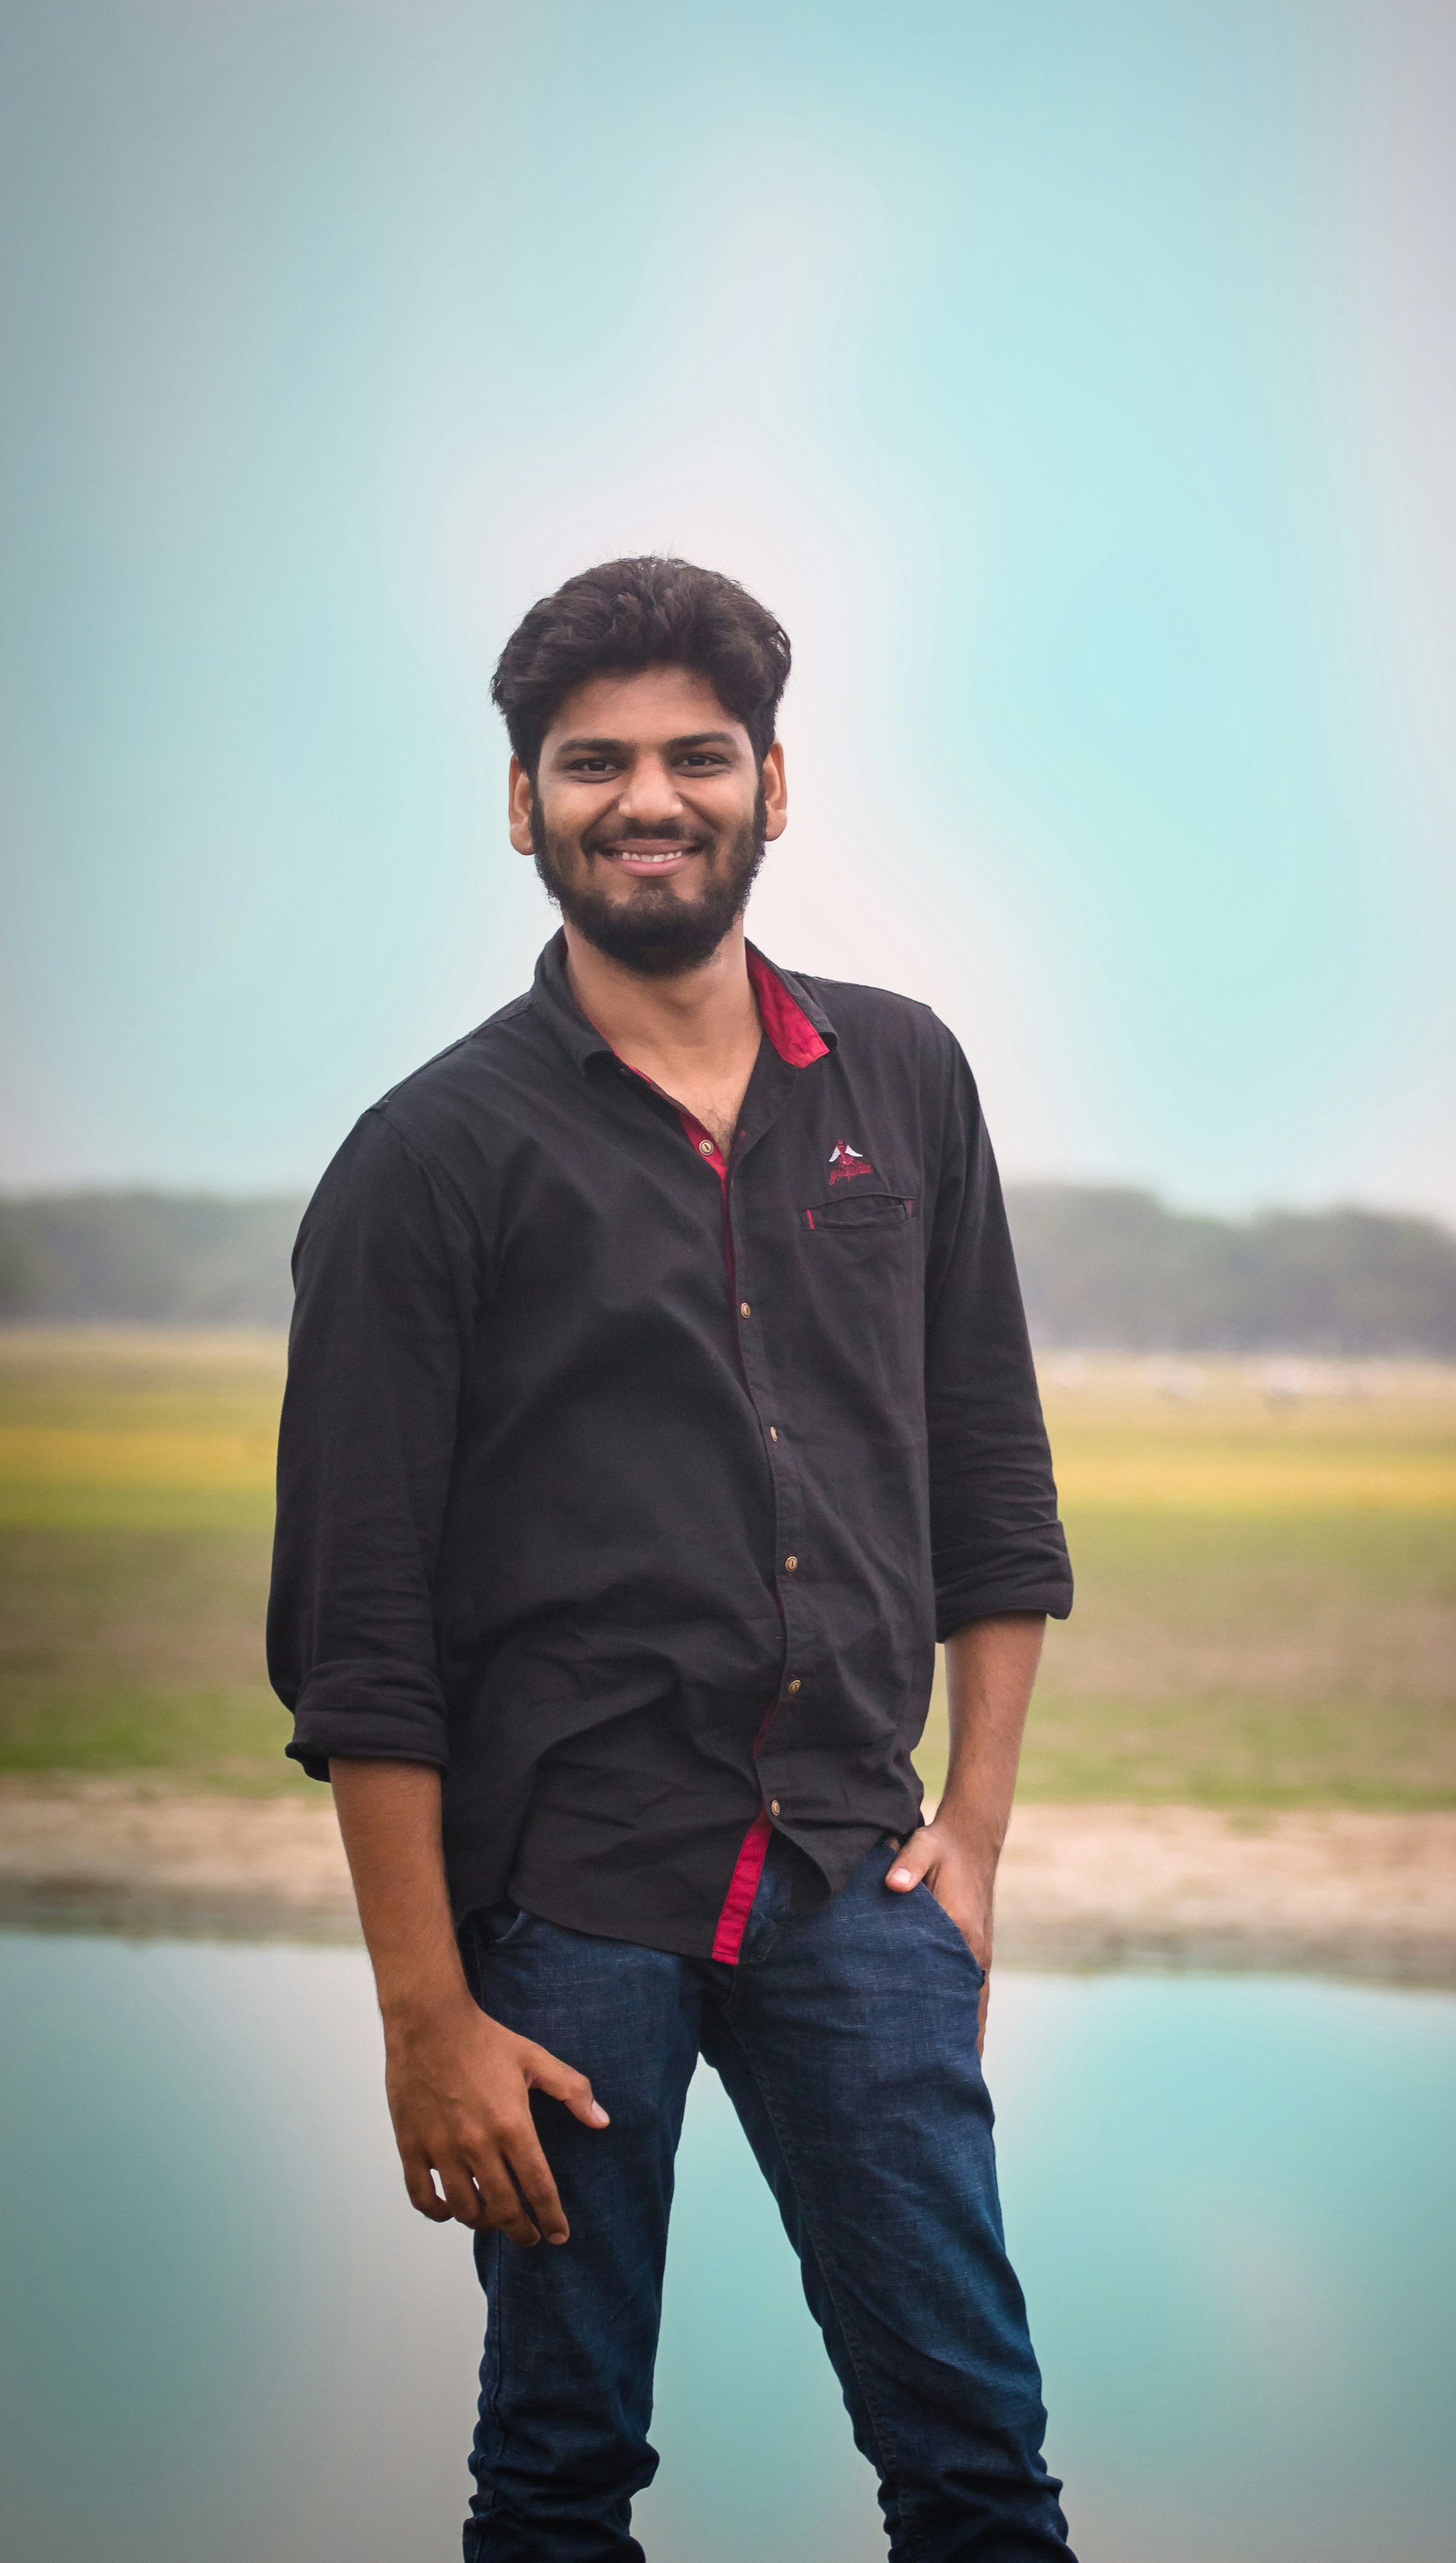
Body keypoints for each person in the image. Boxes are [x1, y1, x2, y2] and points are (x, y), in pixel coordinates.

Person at [268, 555, 1078, 2561]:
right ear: (523, 802)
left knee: (977, 2461)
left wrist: (974, 1828)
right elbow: (355, 1635)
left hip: (855, 1873)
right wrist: (424, 2016)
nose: (651, 797)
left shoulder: (903, 1077)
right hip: (566, 1901)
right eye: (595, 762)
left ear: (773, 786)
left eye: (696, 757)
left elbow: (991, 1475)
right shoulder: (429, 1159)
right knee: (560, 2475)